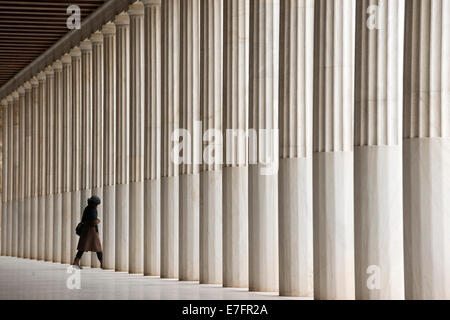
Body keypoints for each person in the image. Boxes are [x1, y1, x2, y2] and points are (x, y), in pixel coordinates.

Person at [72, 195, 103, 269]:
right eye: (97, 204)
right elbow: (93, 222)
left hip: (86, 230)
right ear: (95, 203)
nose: (97, 206)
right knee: (98, 248)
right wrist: (98, 220)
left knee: (82, 247)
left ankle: (76, 262)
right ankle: (103, 263)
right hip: (91, 231)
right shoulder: (92, 209)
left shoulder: (87, 208)